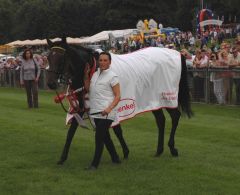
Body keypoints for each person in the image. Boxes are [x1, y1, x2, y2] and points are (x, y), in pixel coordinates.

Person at [84, 52, 121, 170]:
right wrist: (86, 75)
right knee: (105, 137)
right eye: (101, 60)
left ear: (110, 62)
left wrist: (109, 109)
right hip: (95, 112)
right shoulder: (94, 74)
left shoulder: (113, 76)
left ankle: (94, 165)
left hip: (107, 112)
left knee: (99, 137)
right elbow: (87, 89)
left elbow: (118, 96)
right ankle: (115, 158)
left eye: (105, 60)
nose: (103, 62)